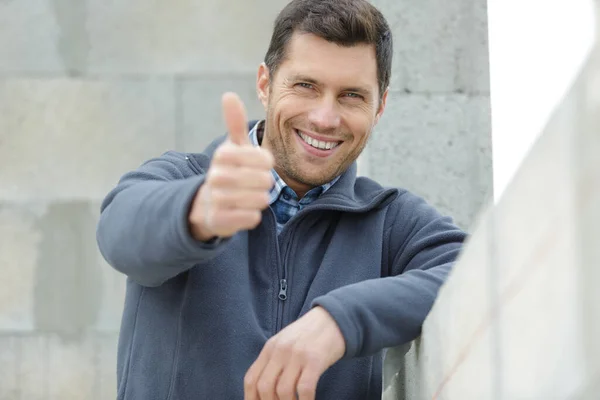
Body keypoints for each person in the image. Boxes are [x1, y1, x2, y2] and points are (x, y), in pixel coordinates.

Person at [96, 0, 467, 399]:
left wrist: (339, 321)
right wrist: (197, 212)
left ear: (380, 107)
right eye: (306, 86)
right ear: (264, 84)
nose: (325, 118)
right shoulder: (183, 179)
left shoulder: (390, 221)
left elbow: (475, 271)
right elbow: (118, 234)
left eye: (352, 96)